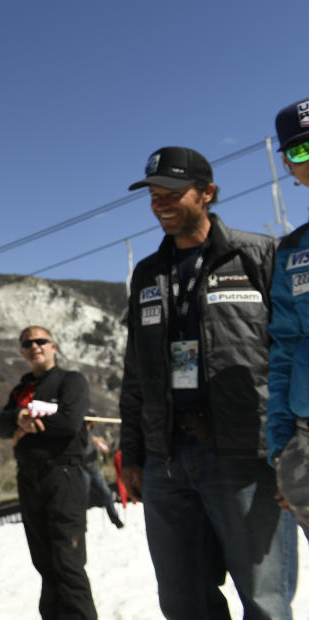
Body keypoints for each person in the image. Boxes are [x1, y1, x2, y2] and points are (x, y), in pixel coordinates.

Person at [120, 145, 295, 620]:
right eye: (154, 194)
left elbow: (292, 354)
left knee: (264, 600)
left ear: (207, 193)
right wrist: (133, 453)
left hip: (245, 455)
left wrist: (293, 444)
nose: (161, 202)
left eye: (173, 192)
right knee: (184, 604)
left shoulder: (258, 255)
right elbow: (135, 370)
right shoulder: (147, 274)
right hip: (167, 462)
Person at [0, 326, 96, 620]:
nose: (34, 346)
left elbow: (69, 423)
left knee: (68, 563)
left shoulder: (71, 381)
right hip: (29, 479)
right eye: (27, 343)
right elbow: (1, 425)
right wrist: (18, 418)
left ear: (53, 346)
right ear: (22, 351)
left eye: (41, 341)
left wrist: (25, 429)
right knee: (44, 563)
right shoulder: (20, 389)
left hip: (63, 476)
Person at [268, 97, 309, 539]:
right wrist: (283, 452)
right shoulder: (293, 253)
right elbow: (283, 349)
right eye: (302, 149)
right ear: (288, 165)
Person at [83, 420, 123, 529]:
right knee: (83, 497)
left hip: (95, 468)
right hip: (83, 468)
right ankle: (82, 523)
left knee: (107, 493)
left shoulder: (94, 431)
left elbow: (105, 447)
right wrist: (91, 439)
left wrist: (103, 443)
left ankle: (115, 519)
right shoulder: (80, 429)